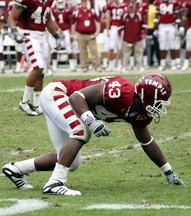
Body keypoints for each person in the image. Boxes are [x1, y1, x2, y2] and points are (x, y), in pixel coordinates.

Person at [2, 73, 184, 195]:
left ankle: (16, 169)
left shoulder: (140, 113)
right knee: (81, 130)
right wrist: (91, 120)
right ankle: (55, 183)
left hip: (66, 103)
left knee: (71, 161)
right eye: (159, 102)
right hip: (58, 94)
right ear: (146, 96)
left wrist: (168, 171)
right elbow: (76, 97)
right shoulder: (121, 91)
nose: (160, 107)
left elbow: (147, 142)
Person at [7, 0, 61, 116]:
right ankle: (24, 102)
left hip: (42, 34)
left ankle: (37, 104)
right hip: (27, 34)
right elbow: (12, 17)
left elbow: (48, 18)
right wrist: (14, 31)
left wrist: (56, 35)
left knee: (41, 72)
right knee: (38, 66)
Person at [71, 0, 102, 73]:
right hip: (81, 34)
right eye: (83, 2)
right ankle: (84, 66)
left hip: (91, 34)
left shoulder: (92, 12)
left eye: (85, 2)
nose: (84, 3)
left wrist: (97, 33)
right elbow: (73, 24)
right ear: (81, 3)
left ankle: (97, 66)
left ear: (87, 3)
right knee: (82, 52)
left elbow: (98, 22)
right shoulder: (77, 12)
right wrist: (74, 34)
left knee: (94, 51)